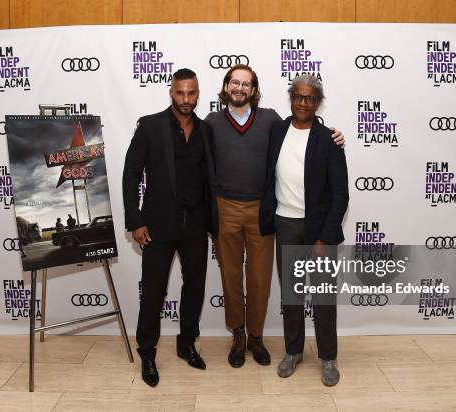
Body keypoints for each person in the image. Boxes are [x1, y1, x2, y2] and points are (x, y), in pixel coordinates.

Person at [204, 64, 344, 368]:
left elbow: (307, 128)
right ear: (226, 86)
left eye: (246, 84)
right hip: (230, 208)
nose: (240, 88)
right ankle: (239, 335)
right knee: (231, 277)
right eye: (234, 83)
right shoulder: (212, 122)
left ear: (254, 91)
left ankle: (257, 337)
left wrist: (335, 135)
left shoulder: (270, 120)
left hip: (263, 212)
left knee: (260, 280)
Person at [122, 68, 217, 387]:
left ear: (198, 93)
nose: (186, 99)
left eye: (191, 93)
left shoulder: (205, 130)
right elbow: (131, 174)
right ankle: (147, 352)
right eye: (180, 93)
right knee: (153, 291)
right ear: (171, 92)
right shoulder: (151, 125)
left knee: (195, 287)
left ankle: (186, 342)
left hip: (196, 224)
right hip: (158, 225)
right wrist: (135, 220)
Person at [260, 74, 349, 386]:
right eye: (298, 96)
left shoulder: (328, 139)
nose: (302, 102)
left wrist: (325, 237)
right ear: (291, 98)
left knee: (323, 298)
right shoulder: (277, 130)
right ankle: (293, 351)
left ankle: (328, 358)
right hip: (284, 225)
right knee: (292, 296)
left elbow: (341, 194)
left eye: (309, 98)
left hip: (318, 230)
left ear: (317, 102)